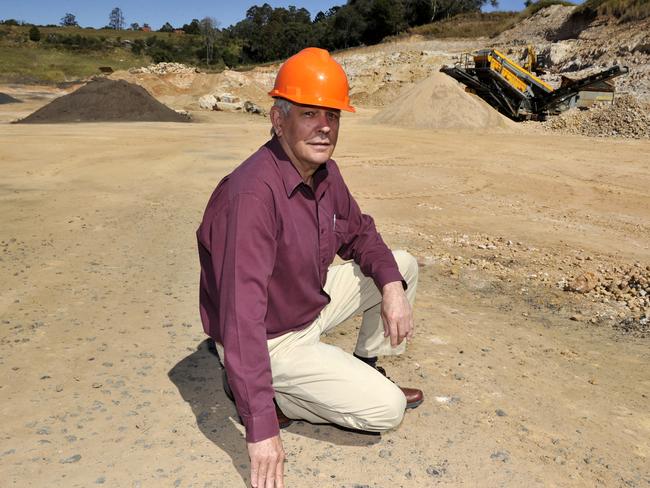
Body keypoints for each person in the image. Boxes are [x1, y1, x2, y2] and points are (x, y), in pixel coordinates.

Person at [197, 47, 423, 488]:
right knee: (387, 410)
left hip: (307, 304)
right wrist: (260, 428)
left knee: (401, 266)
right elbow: (242, 317)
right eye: (309, 114)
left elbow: (362, 234)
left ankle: (366, 364)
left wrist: (393, 289)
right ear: (278, 119)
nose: (325, 126)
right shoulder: (251, 197)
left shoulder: (325, 173)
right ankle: (274, 394)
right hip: (268, 338)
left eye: (333, 116)